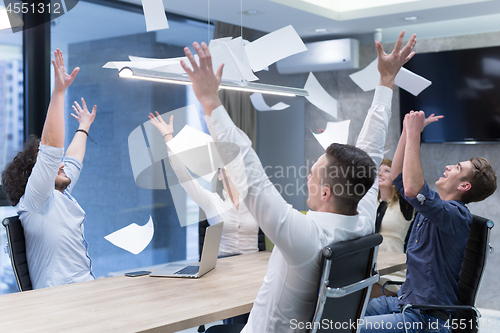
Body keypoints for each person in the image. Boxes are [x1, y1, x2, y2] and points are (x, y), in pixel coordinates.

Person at [179, 30, 417, 332]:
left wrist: (210, 101)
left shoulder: (306, 236)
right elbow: (369, 151)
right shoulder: (362, 218)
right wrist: (385, 82)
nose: (307, 176)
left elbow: (251, 177)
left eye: (313, 172)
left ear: (327, 191)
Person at [362, 110, 497, 333]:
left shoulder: (455, 215)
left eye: (457, 168)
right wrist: (406, 132)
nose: (448, 167)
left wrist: (416, 134)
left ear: (464, 186)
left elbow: (414, 188)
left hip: (425, 319)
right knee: (343, 312)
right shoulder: (433, 208)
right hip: (404, 304)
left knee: (346, 327)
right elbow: (399, 177)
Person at [1, 49, 97, 289]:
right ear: (36, 176)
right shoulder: (35, 200)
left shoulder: (56, 194)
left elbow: (72, 160)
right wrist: (59, 92)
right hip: (60, 304)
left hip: (86, 291)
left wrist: (84, 127)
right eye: (53, 166)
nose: (61, 165)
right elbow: (52, 150)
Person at [148, 112, 260, 257]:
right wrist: (168, 137)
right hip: (225, 269)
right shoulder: (211, 201)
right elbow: (184, 177)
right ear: (219, 176)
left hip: (253, 268)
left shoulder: (254, 201)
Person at [372, 159, 415, 297]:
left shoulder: (404, 205)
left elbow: (407, 178)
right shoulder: (373, 204)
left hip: (394, 270)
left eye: (386, 171)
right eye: (378, 171)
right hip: (373, 265)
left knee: (364, 290)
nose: (380, 174)